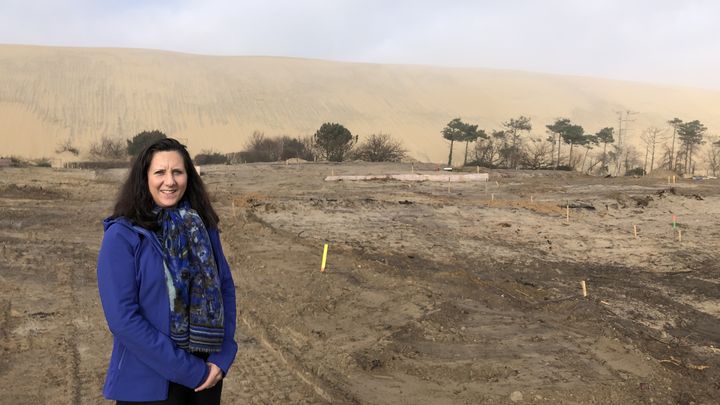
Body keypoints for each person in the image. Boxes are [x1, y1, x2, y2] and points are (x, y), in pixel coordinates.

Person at [97, 138, 237, 404]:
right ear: (144, 178)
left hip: (205, 381)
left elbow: (225, 288)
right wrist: (189, 370)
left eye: (178, 172)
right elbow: (123, 319)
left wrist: (223, 355)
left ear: (188, 177)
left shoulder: (203, 227)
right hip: (148, 384)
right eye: (160, 172)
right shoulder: (122, 236)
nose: (169, 181)